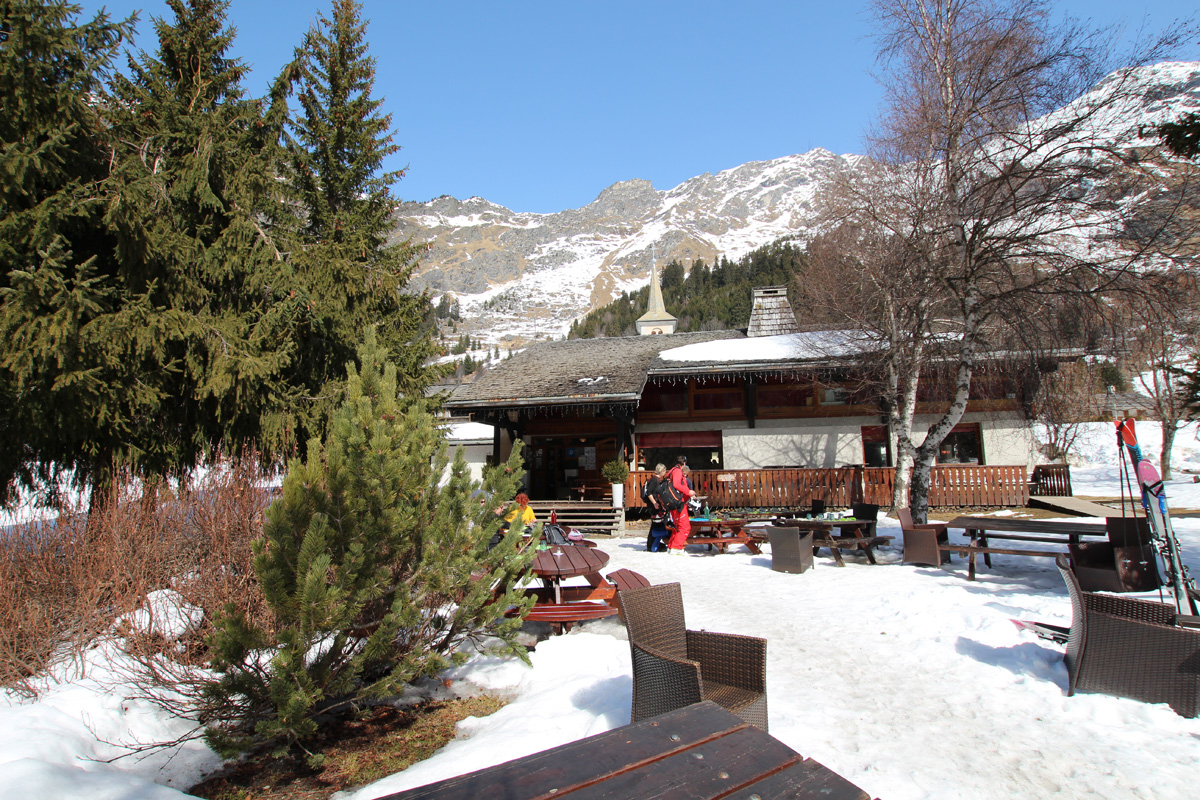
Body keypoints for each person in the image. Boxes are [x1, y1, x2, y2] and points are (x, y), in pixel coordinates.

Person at [664, 456, 693, 555]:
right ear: (684, 463)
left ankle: (672, 546)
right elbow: (676, 484)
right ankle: (677, 548)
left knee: (677, 526)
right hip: (678, 503)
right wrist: (688, 491)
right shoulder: (677, 471)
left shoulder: (672, 470)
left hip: (673, 503)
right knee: (685, 527)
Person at [642, 464, 670, 552]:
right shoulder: (655, 480)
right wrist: (654, 503)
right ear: (661, 471)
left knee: (658, 524)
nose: (665, 473)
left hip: (657, 506)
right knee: (656, 524)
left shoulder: (658, 480)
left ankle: (654, 543)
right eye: (664, 471)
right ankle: (651, 545)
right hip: (654, 507)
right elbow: (649, 492)